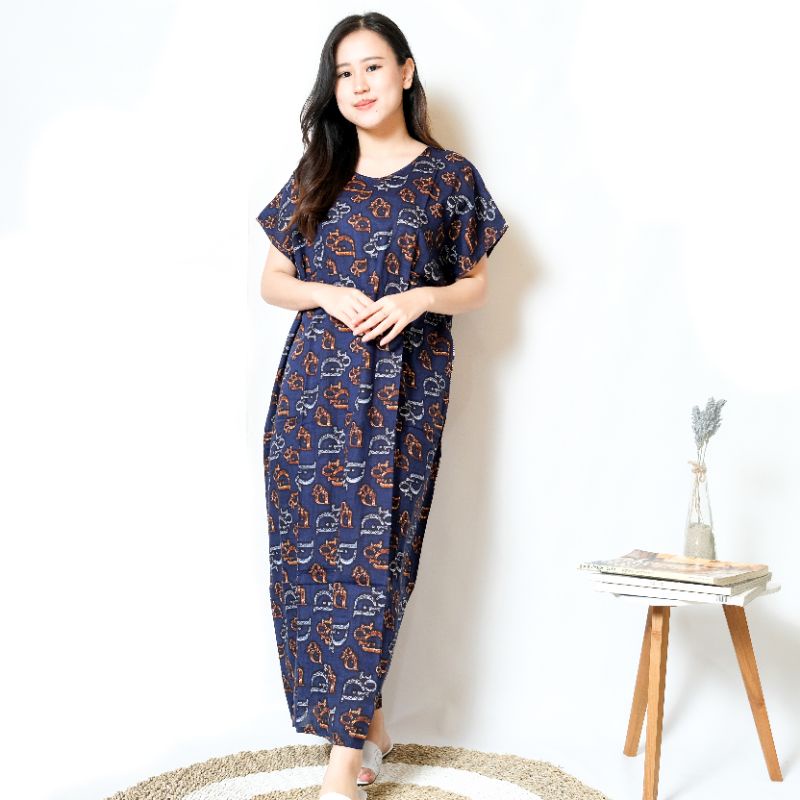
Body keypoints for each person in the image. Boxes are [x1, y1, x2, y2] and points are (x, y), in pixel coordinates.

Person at [255, 11, 508, 800]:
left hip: (405, 391)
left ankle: (343, 766)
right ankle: (364, 728)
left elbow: (476, 286)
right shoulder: (319, 170)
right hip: (310, 397)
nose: (358, 84)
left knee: (374, 562)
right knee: (311, 566)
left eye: (371, 66)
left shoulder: (449, 178)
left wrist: (418, 298)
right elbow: (271, 281)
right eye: (343, 73)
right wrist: (325, 292)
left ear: (405, 71)